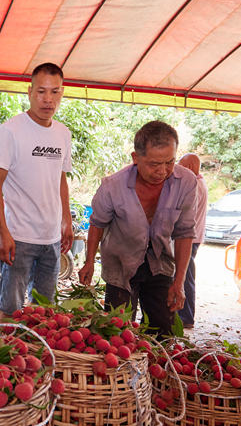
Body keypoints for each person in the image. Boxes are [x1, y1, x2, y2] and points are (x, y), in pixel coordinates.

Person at [77, 121, 196, 337]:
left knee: (163, 333)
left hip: (161, 264)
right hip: (121, 265)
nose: (163, 171)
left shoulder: (186, 182)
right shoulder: (113, 186)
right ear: (135, 158)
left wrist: (179, 282)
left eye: (170, 162)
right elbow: (97, 223)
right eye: (153, 164)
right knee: (117, 332)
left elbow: (185, 233)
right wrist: (88, 262)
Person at [0, 62, 73, 321]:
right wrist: (3, 233)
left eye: (54, 92)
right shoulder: (10, 131)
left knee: (44, 313)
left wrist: (66, 221)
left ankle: (36, 360)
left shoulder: (63, 133)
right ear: (29, 92)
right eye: (41, 92)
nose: (48, 99)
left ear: (62, 93)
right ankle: (1, 359)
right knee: (10, 310)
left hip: (51, 239)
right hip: (19, 238)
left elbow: (60, 180)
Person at [177, 153, 208, 329]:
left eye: (180, 166)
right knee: (185, 274)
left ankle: (186, 317)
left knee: (185, 276)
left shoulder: (194, 185)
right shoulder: (199, 182)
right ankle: (184, 315)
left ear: (188, 167)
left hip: (190, 238)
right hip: (193, 236)